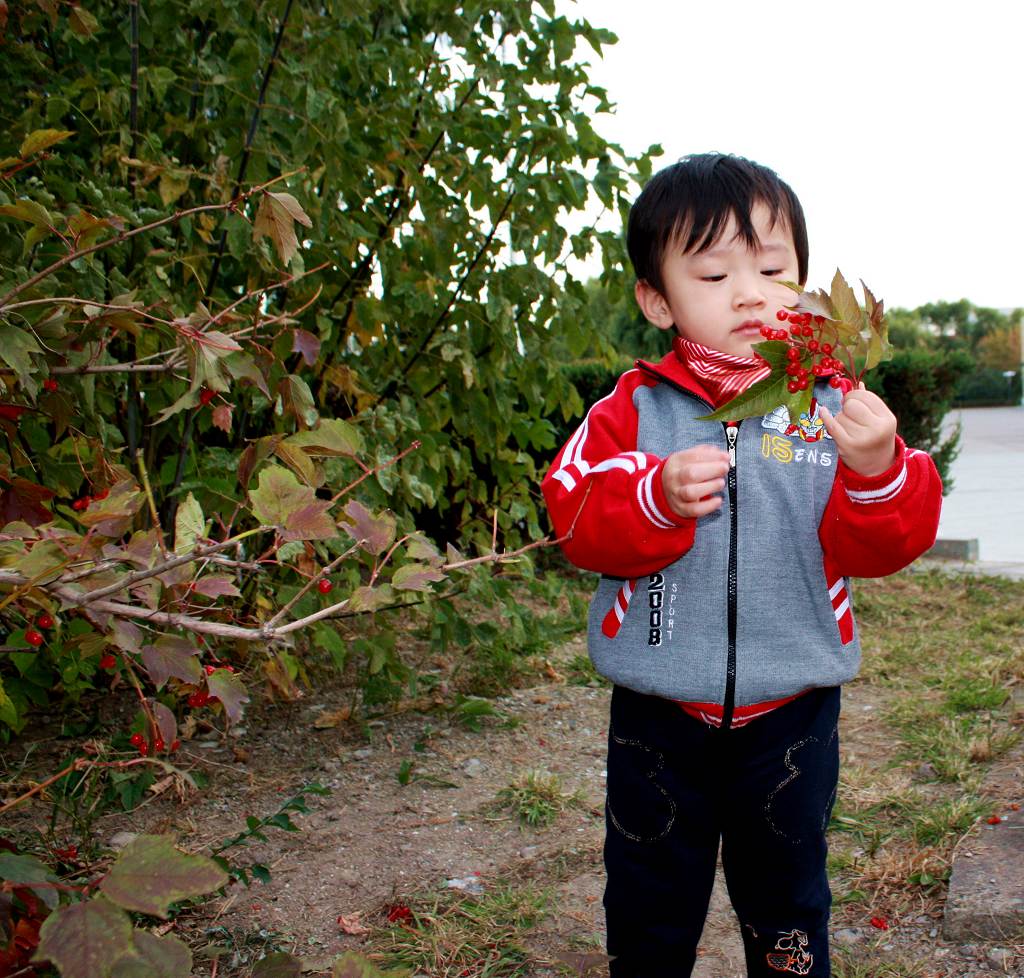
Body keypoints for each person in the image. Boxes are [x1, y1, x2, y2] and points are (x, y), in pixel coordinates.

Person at [541, 153, 942, 977]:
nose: (752, 292)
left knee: (787, 899)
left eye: (773, 268)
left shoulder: (829, 404)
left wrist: (875, 470)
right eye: (716, 272)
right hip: (659, 710)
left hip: (792, 711)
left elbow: (888, 544)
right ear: (658, 298)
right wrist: (653, 495)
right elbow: (573, 515)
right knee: (651, 898)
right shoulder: (634, 409)